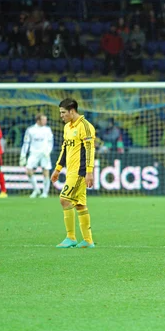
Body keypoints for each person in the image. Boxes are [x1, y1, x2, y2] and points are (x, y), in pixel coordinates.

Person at [50, 99, 97, 248]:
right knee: (80, 205)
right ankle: (88, 240)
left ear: (72, 111)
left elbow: (90, 151)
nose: (61, 116)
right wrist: (58, 169)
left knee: (64, 199)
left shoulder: (85, 126)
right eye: (60, 113)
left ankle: (71, 237)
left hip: (80, 172)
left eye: (63, 112)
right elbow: (64, 149)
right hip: (70, 171)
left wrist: (89, 172)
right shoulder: (67, 128)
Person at [20, 113, 54, 198]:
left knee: (46, 172)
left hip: (44, 153)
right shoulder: (30, 130)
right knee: (28, 171)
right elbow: (26, 143)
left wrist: (48, 151)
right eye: (43, 119)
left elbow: (51, 142)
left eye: (45, 119)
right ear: (38, 120)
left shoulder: (47, 130)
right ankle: (36, 189)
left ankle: (45, 193)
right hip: (34, 153)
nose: (45, 121)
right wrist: (23, 155)